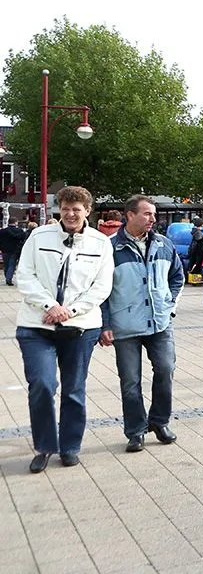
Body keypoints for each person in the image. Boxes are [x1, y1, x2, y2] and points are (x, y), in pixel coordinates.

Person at [14, 186, 114, 473]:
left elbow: (102, 287)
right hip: (37, 325)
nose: (70, 214)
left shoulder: (100, 243)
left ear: (88, 211)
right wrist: (50, 306)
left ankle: (70, 446)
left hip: (80, 327)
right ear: (59, 209)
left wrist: (70, 310)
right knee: (43, 385)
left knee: (73, 389)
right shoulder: (39, 236)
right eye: (66, 208)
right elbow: (25, 275)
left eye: (77, 209)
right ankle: (45, 446)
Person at [99, 195, 185, 453]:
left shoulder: (164, 244)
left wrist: (169, 307)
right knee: (130, 381)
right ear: (129, 215)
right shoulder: (110, 248)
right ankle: (135, 431)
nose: (153, 219)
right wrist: (104, 324)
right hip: (124, 326)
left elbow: (177, 277)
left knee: (165, 369)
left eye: (154, 214)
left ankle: (159, 422)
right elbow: (100, 290)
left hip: (160, 322)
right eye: (147, 214)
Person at [0, 217, 29, 285]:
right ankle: (9, 278)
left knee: (6, 264)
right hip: (15, 250)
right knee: (12, 265)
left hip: (4, 250)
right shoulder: (20, 231)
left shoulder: (2, 231)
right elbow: (23, 240)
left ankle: (7, 276)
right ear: (16, 222)